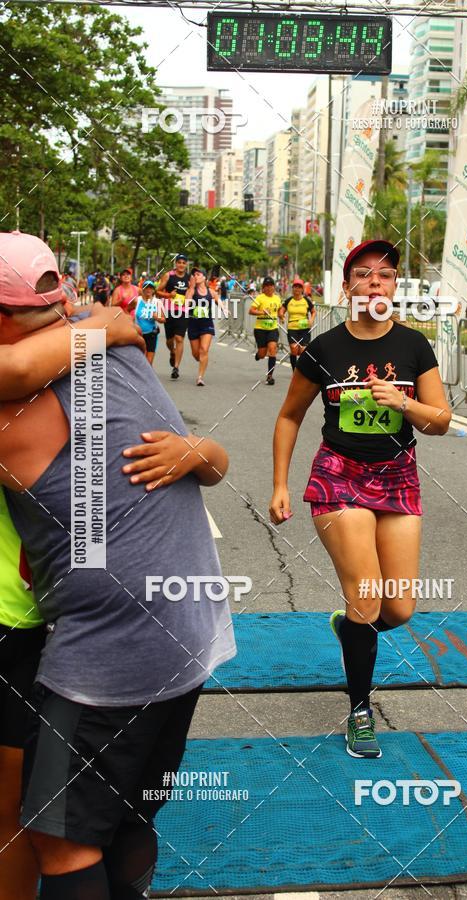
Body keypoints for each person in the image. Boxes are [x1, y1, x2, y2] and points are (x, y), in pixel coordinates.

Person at [0, 232, 236, 900]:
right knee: (128, 812)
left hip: (113, 649)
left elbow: (18, 374)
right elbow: (97, 331)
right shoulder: (121, 346)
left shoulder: (17, 401)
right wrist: (104, 323)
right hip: (190, 627)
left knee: (62, 836)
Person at [269, 239, 451, 759]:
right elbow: (288, 416)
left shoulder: (415, 346)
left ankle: (350, 625)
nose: (376, 281)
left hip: (398, 477)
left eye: (387, 274)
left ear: (395, 287)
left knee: (399, 607)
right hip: (339, 476)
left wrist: (406, 402)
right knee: (368, 597)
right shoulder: (324, 349)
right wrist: (281, 483)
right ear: (347, 286)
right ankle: (360, 710)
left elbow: (441, 422)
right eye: (365, 273)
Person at [0, 300, 145, 900]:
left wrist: (203, 456)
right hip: (32, 617)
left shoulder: (45, 374)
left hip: (31, 618)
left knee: (17, 807)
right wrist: (103, 325)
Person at [186, 268, 226, 386]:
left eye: (198, 274)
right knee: (196, 354)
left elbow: (218, 300)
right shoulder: (192, 291)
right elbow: (187, 303)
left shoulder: (211, 292)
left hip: (206, 324)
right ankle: (202, 361)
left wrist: (224, 309)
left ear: (204, 277)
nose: (195, 276)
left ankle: (200, 377)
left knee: (204, 350)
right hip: (193, 324)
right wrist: (191, 288)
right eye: (194, 275)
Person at [156, 253, 190, 380]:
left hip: (183, 311)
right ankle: (172, 351)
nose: (181, 265)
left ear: (186, 265)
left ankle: (176, 368)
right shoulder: (168, 276)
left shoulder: (189, 278)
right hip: (169, 311)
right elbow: (157, 291)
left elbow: (193, 291)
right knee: (170, 340)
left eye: (183, 263)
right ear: (175, 264)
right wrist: (169, 295)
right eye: (179, 262)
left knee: (179, 338)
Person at [250, 275, 281, 385]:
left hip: (273, 328)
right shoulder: (260, 298)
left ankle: (269, 376)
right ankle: (259, 355)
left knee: (272, 349)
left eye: (271, 286)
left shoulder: (277, 298)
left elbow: (280, 308)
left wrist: (281, 315)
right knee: (263, 354)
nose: (269, 288)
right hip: (260, 329)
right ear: (263, 288)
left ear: (274, 287)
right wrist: (262, 312)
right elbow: (251, 310)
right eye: (266, 286)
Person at [279, 277, 316, 371]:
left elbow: (313, 311)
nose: (297, 289)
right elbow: (281, 311)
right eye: (295, 287)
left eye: (299, 287)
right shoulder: (289, 301)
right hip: (292, 328)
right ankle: (295, 371)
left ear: (302, 289)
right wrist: (282, 316)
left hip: (304, 328)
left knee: (302, 351)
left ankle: (302, 370)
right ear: (292, 288)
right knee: (294, 349)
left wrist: (311, 320)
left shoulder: (306, 300)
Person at [135, 280, 165, 366]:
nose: (148, 290)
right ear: (143, 289)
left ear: (153, 290)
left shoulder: (157, 302)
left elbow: (163, 319)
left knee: (148, 362)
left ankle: (145, 377)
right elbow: (127, 311)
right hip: (138, 335)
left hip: (151, 334)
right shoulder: (137, 300)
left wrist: (157, 317)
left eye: (151, 288)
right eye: (146, 288)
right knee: (140, 360)